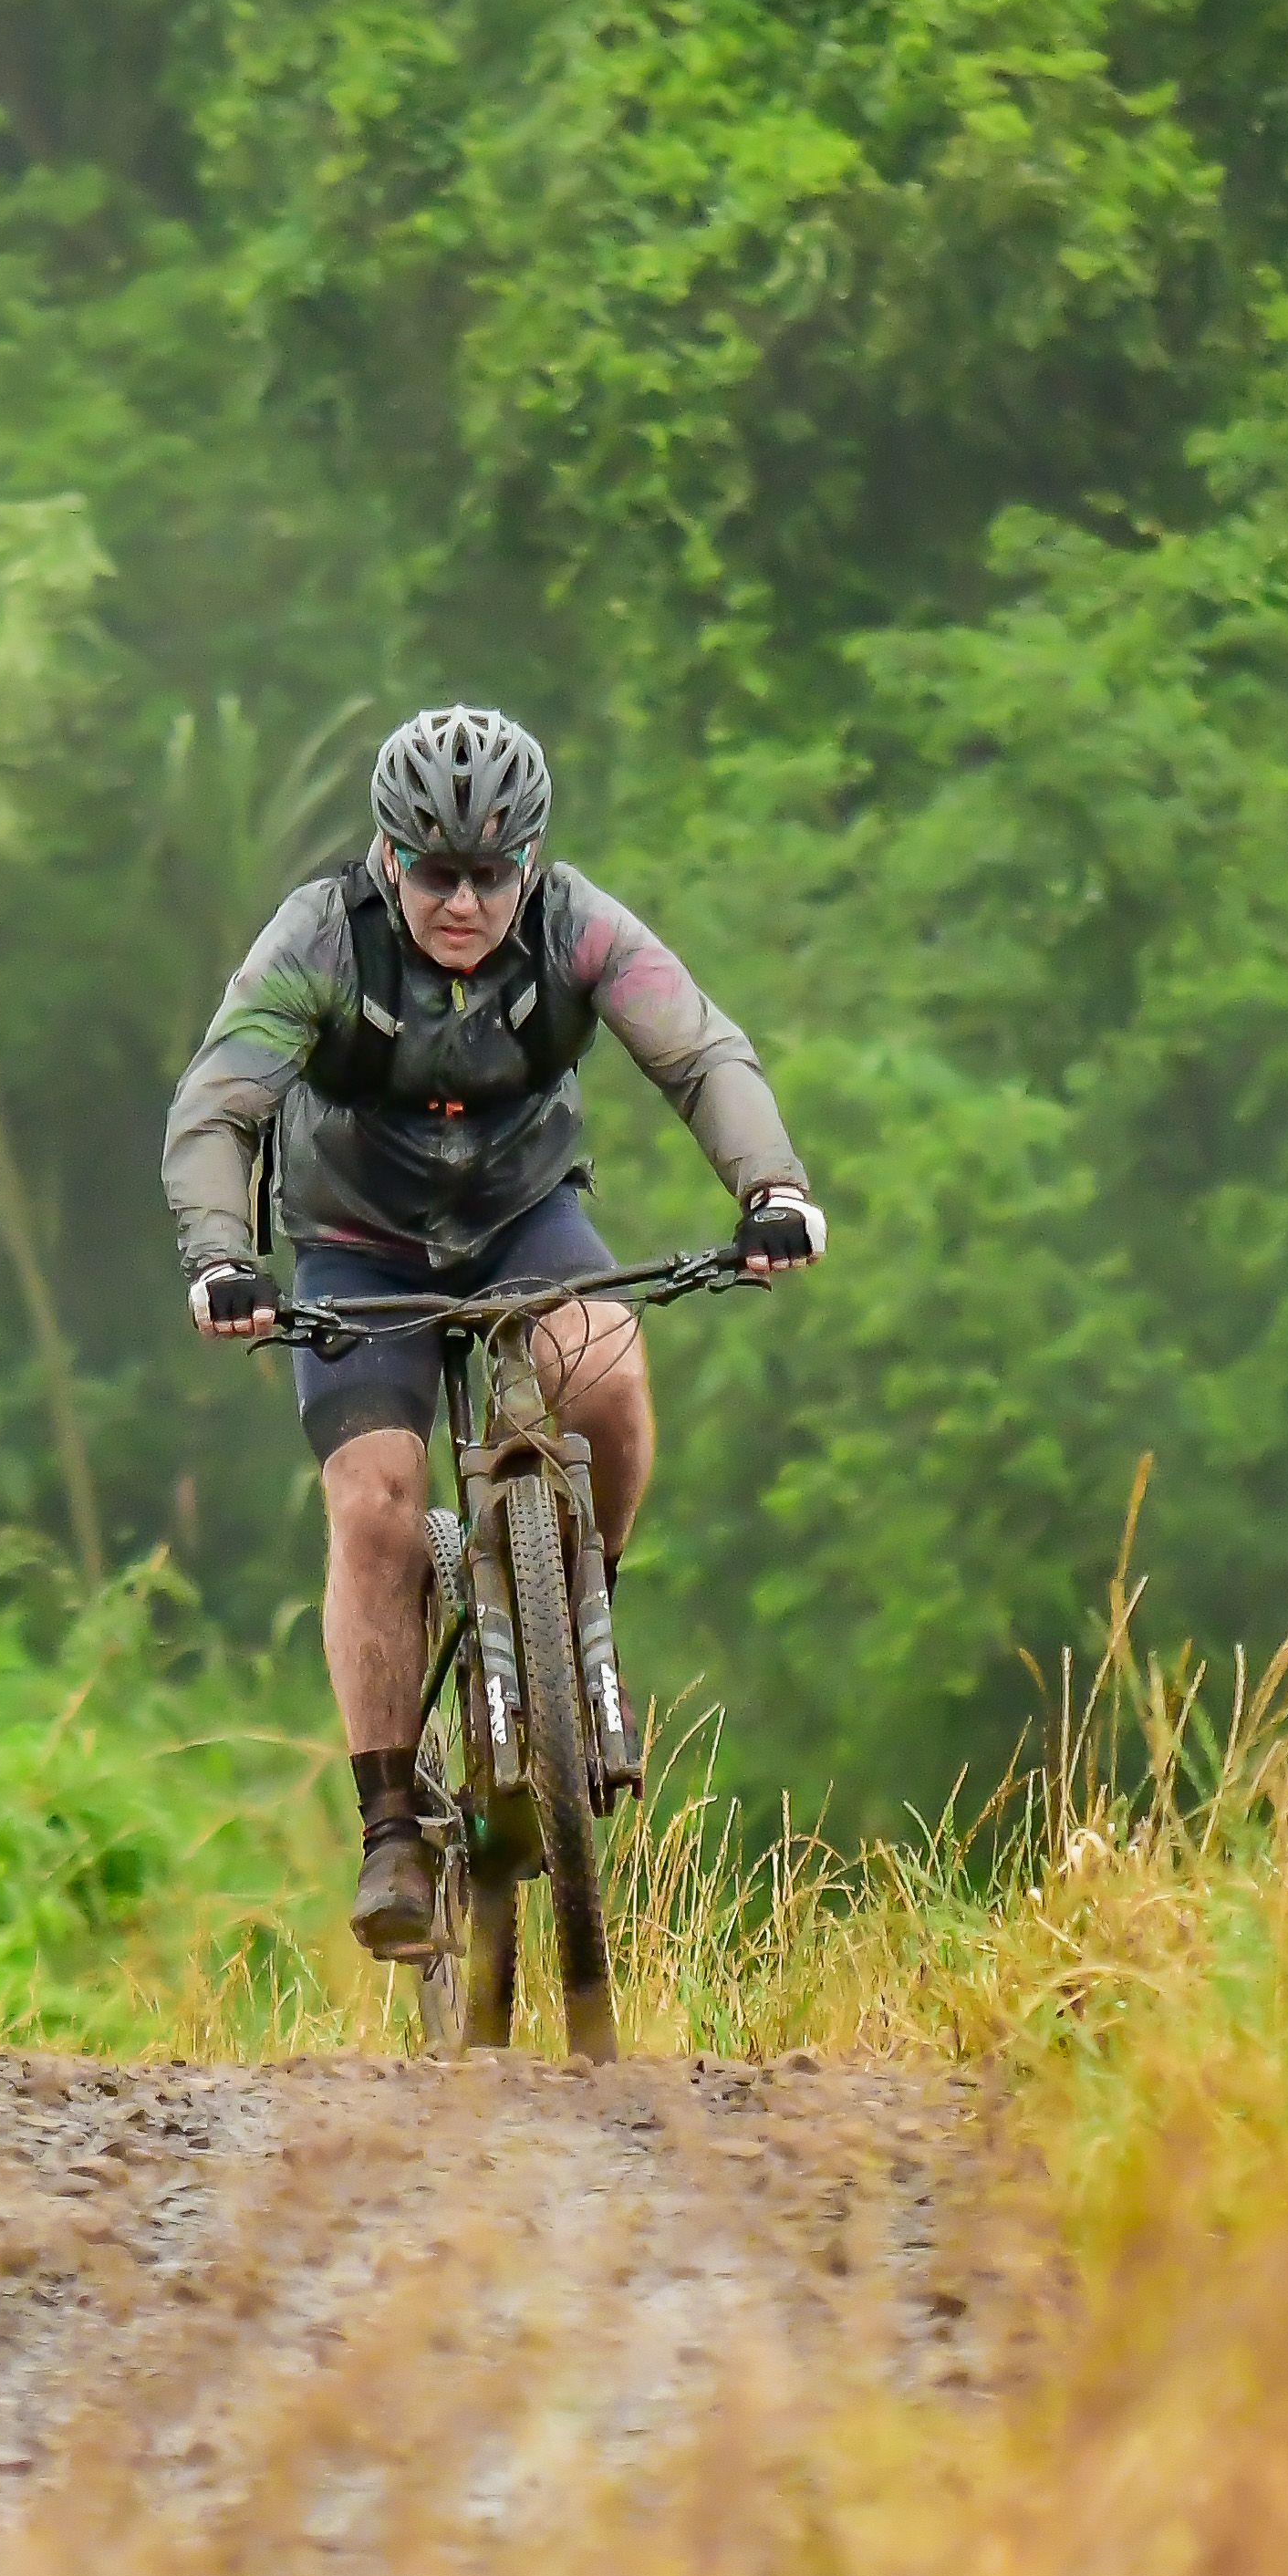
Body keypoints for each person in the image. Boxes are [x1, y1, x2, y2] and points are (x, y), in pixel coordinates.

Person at [163, 704, 826, 1958]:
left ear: (530, 860)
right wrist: (222, 1259)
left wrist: (773, 1191)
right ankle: (390, 1832)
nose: (462, 901)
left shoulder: (578, 927)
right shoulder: (320, 938)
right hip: (357, 1245)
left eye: (490, 873)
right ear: (387, 854)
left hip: (525, 1220)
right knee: (377, 1502)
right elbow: (218, 1104)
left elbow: (700, 1053)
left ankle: (580, 1609)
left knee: (607, 1374)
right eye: (433, 872)